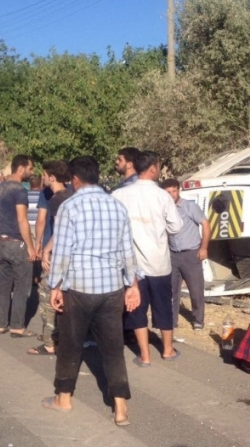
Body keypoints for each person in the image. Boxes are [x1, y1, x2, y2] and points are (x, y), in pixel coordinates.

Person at [42, 155, 139, 427]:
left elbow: (61, 253)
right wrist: (132, 284)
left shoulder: (70, 207)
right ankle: (120, 407)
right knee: (113, 348)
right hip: (111, 288)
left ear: (74, 179)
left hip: (79, 288)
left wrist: (55, 286)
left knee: (70, 345)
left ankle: (63, 398)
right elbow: (127, 251)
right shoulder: (117, 206)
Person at [112, 151, 183, 365]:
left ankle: (144, 355)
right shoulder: (162, 196)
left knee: (137, 308)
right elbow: (176, 226)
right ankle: (168, 349)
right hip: (159, 262)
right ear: (153, 167)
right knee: (164, 306)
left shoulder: (119, 195)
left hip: (132, 265)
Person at [29, 160, 73, 356]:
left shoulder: (57, 199)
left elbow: (60, 231)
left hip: (57, 255)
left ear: (52, 177)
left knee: (47, 296)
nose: (42, 178)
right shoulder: (72, 195)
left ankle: (50, 342)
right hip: (72, 256)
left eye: (45, 175)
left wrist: (45, 248)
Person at [0, 154, 38, 337]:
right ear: (21, 168)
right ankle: (17, 326)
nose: (32, 172)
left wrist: (0, 233)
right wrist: (30, 246)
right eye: (31, 168)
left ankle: (1, 323)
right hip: (17, 243)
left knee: (3, 285)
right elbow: (22, 220)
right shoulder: (19, 190)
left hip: (2, 242)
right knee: (21, 286)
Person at [160, 178, 210, 330]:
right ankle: (172, 321)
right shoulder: (163, 210)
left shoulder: (189, 206)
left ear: (179, 190)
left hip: (191, 254)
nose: (172, 194)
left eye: (174, 191)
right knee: (172, 291)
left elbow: (205, 224)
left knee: (195, 290)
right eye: (168, 192)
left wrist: (204, 248)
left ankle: (198, 320)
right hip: (172, 255)